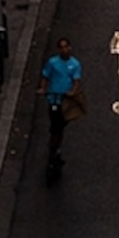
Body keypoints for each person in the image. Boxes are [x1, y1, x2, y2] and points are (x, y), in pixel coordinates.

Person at [40, 36, 83, 180]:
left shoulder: (75, 64)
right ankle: (54, 148)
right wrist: (43, 88)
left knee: (60, 127)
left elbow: (76, 81)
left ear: (70, 48)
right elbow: (46, 77)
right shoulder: (52, 63)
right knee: (55, 126)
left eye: (66, 47)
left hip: (66, 101)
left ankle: (55, 148)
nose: (64, 49)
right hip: (54, 99)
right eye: (62, 47)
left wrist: (73, 91)